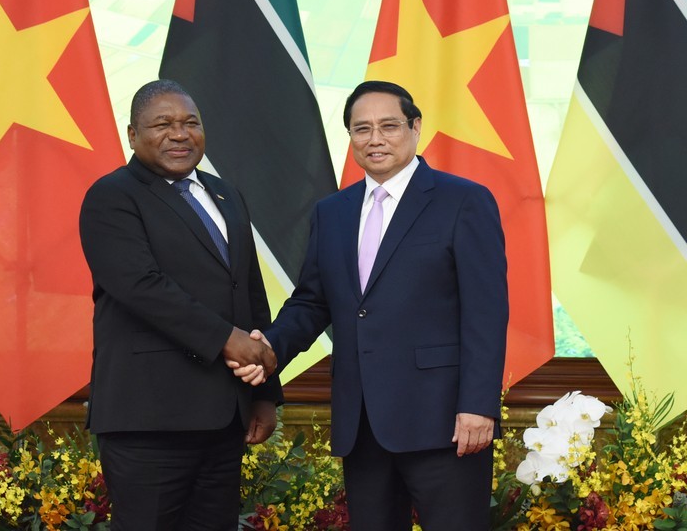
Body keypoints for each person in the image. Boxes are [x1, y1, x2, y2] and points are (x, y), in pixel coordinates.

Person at [233, 80, 508, 530]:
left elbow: (487, 311)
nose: (375, 139)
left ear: (415, 128)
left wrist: (478, 405)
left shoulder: (464, 200)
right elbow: (312, 302)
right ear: (351, 137)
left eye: (389, 126)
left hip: (445, 422)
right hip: (362, 424)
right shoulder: (332, 211)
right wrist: (269, 347)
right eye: (362, 129)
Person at [79, 79, 281, 530]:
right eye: (163, 124)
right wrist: (228, 341)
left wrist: (265, 392)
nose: (179, 134)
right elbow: (142, 287)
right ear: (132, 135)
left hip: (224, 419)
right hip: (149, 421)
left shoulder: (227, 195)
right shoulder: (112, 196)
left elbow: (248, 294)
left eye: (191, 123)